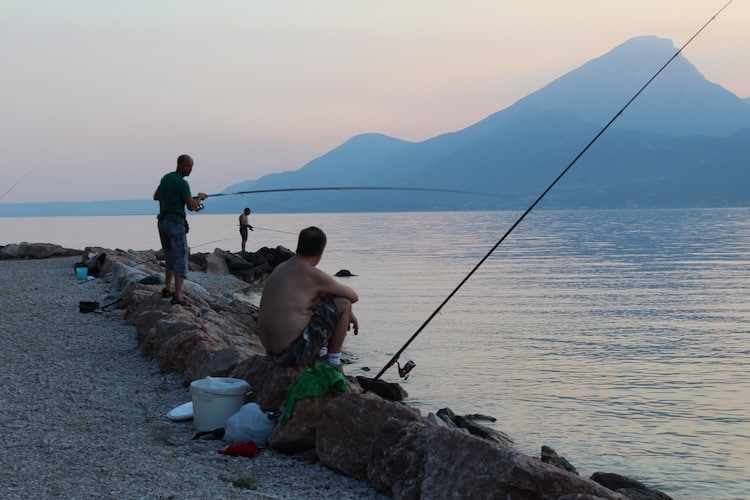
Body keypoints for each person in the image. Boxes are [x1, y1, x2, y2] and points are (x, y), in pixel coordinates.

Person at [258, 226, 359, 372]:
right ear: (321, 252)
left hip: (271, 353)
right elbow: (352, 297)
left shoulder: (281, 268)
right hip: (291, 355)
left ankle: (321, 352)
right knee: (344, 303)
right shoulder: (312, 274)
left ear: (299, 246)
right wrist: (349, 312)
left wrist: (350, 315)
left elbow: (316, 298)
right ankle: (334, 362)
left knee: (320, 296)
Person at [153, 154, 207, 306]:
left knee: (169, 256)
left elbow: (156, 196)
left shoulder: (165, 178)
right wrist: (200, 198)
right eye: (189, 166)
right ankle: (178, 296)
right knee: (180, 258)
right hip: (175, 223)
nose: (191, 170)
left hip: (162, 222)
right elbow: (191, 206)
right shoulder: (183, 183)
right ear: (180, 165)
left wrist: (181, 197)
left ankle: (167, 288)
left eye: (192, 167)